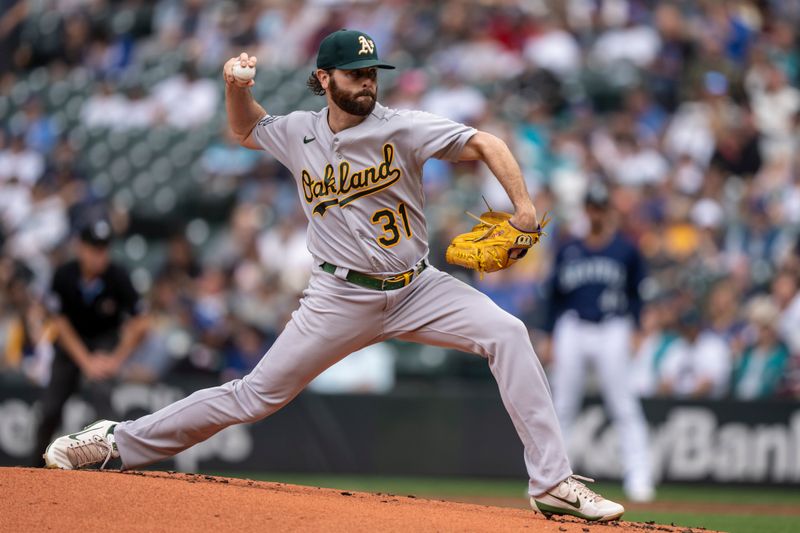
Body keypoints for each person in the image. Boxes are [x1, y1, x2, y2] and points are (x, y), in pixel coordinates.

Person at [44, 30, 625, 522]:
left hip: (417, 287)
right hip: (339, 295)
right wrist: (235, 88)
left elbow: (486, 141)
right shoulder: (299, 132)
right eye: (354, 73)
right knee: (253, 396)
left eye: (372, 72)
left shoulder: (402, 127)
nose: (367, 82)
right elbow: (246, 130)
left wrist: (522, 207)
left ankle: (551, 483)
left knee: (509, 333)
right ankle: (114, 441)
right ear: (325, 79)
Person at [542, 182, 655, 502]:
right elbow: (553, 297)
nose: (596, 212)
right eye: (592, 206)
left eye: (601, 207)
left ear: (608, 211)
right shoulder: (568, 248)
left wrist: (636, 330)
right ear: (586, 209)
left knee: (623, 403)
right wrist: (549, 335)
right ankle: (551, 479)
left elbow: (637, 295)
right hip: (574, 327)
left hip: (612, 327)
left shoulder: (626, 249)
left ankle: (639, 476)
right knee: (563, 405)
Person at [33, 219, 149, 465]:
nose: (99, 255)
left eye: (103, 249)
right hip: (71, 347)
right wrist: (85, 361)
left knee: (104, 402)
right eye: (94, 248)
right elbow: (60, 324)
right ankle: (33, 468)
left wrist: (117, 358)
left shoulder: (118, 276)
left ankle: (113, 467)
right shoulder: (64, 275)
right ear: (81, 248)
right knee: (50, 408)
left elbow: (142, 321)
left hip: (104, 344)